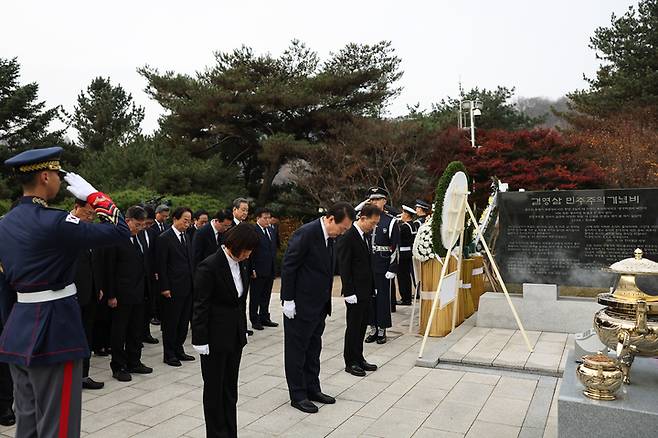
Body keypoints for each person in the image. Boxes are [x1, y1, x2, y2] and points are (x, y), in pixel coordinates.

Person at [0, 146, 129, 437]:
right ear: (45, 177)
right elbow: (121, 232)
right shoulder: (57, 222)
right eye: (58, 174)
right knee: (59, 426)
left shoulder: (4, 225)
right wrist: (96, 196)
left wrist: (12, 328)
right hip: (56, 333)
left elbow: (4, 289)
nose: (61, 181)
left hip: (17, 333)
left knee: (28, 423)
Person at [281, 202, 355, 413]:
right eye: (342, 228)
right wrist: (288, 299)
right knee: (297, 351)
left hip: (318, 306)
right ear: (331, 219)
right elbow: (289, 266)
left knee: (313, 350)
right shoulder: (306, 234)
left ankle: (312, 388)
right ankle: (297, 394)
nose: (342, 233)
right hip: (300, 305)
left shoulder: (330, 238)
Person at [191, 223, 260, 438]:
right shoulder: (209, 266)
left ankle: (230, 432)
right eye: (247, 251)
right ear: (236, 245)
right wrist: (200, 339)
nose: (248, 256)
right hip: (213, 338)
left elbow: (239, 301)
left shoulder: (243, 265)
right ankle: (215, 433)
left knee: (230, 390)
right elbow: (200, 305)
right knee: (214, 391)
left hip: (234, 336)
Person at [101, 206, 154, 381]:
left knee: (135, 330)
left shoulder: (138, 238)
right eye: (137, 224)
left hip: (138, 293)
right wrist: (111, 295)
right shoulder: (115, 239)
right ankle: (118, 365)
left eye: (142, 225)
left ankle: (134, 361)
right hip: (121, 295)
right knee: (119, 331)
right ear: (128, 220)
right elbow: (108, 269)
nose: (139, 228)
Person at [337, 204, 381, 377]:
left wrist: (372, 288)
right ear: (362, 218)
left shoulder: (364, 236)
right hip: (354, 292)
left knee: (362, 325)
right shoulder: (349, 236)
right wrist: (348, 292)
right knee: (353, 327)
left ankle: (359, 357)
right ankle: (350, 361)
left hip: (365, 290)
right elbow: (344, 266)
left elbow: (366, 265)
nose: (374, 226)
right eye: (372, 222)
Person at [71, 199, 105, 390]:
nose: (90, 218)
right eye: (87, 213)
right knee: (74, 336)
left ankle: (84, 375)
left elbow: (95, 262)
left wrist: (98, 286)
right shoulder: (66, 228)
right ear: (76, 208)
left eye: (93, 215)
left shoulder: (89, 231)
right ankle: (73, 376)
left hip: (91, 292)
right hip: (73, 294)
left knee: (87, 335)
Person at [157, 207, 195, 367]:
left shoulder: (186, 236)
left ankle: (179, 349)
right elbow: (161, 265)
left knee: (183, 321)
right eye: (184, 220)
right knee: (171, 323)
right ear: (175, 219)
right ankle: (169, 354)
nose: (187, 224)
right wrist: (164, 287)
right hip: (172, 288)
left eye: (189, 221)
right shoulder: (164, 238)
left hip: (187, 286)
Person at [364, 187, 400, 345]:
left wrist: (392, 268)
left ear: (384, 201)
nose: (374, 202)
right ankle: (372, 327)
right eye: (372, 199)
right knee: (369, 297)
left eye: (377, 199)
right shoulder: (365, 218)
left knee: (382, 298)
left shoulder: (390, 221)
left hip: (383, 264)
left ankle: (382, 329)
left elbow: (395, 247)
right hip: (368, 265)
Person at [249, 208, 279, 331]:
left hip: (269, 268)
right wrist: (252, 268)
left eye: (269, 217)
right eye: (265, 218)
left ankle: (265, 317)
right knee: (255, 296)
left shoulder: (271, 230)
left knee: (266, 295)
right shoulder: (253, 231)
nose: (268, 220)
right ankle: (254, 320)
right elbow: (250, 252)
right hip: (258, 270)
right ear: (258, 218)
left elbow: (274, 249)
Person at [397, 205, 416, 306]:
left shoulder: (404, 227)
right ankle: (407, 297)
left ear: (407, 215)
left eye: (403, 213)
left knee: (402, 276)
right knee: (406, 276)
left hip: (403, 254)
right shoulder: (412, 225)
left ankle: (405, 298)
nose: (402, 215)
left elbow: (399, 239)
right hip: (409, 253)